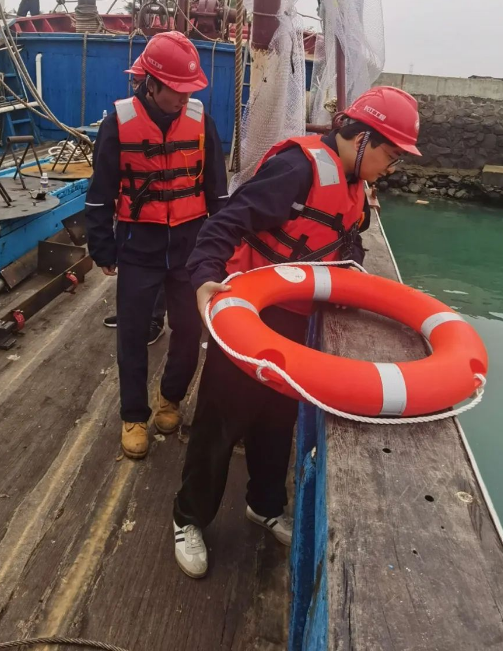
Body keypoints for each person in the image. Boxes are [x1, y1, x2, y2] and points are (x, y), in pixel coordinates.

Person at [172, 86, 421, 577]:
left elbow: (344, 251)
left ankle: (264, 506)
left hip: (297, 323)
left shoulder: (354, 184)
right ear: (364, 138)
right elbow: (227, 223)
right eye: (391, 155)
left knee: (276, 422)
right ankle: (189, 519)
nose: (391, 168)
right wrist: (203, 279)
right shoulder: (297, 168)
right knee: (221, 426)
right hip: (250, 320)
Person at [86, 32, 228, 460]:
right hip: (138, 245)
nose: (185, 98)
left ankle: (170, 398)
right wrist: (103, 248)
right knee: (132, 333)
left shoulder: (201, 120)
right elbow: (100, 192)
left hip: (190, 244)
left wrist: (219, 248)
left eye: (190, 90)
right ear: (152, 84)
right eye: (177, 91)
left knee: (189, 328)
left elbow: (217, 191)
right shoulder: (118, 122)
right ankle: (133, 415)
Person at [102, 56, 166, 345]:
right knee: (133, 278)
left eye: (138, 79)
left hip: (167, 220)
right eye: (135, 80)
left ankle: (155, 318)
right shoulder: (122, 120)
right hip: (132, 218)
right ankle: (132, 315)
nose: (135, 84)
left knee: (162, 271)